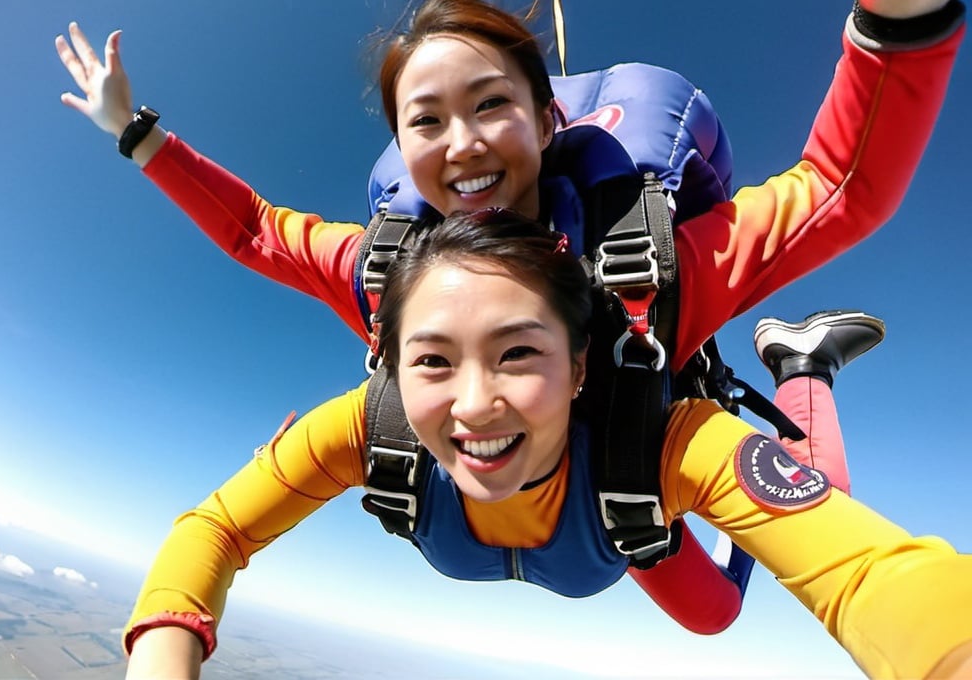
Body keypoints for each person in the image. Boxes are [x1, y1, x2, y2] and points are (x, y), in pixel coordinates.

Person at [55, 0, 965, 635]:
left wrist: (901, 22)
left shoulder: (651, 268)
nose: (463, 144)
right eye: (426, 121)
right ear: (401, 146)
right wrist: (138, 134)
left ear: (545, 115)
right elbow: (256, 231)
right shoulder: (386, 280)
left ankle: (802, 370)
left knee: (719, 611)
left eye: (491, 105)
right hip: (566, 518)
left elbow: (839, 190)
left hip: (630, 478)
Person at [123, 209, 972, 679]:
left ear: (577, 370)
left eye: (518, 352)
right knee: (715, 614)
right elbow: (214, 530)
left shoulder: (665, 443)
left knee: (762, 572)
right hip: (608, 536)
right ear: (391, 361)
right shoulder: (367, 425)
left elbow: (869, 571)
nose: (475, 404)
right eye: (432, 359)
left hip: (626, 509)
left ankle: (802, 367)